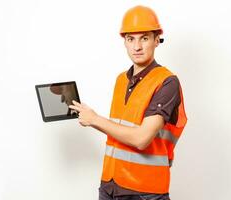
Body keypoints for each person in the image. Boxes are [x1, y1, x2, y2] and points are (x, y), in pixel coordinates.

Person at [69, 5, 187, 200]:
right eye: (130, 39)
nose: (137, 46)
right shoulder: (121, 80)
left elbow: (142, 138)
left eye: (144, 38)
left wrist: (95, 119)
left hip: (145, 192)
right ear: (124, 41)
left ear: (157, 40)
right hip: (111, 185)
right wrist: (88, 117)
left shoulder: (167, 82)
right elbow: (119, 129)